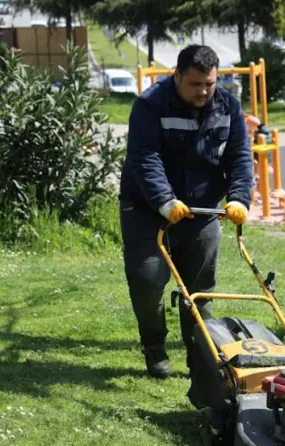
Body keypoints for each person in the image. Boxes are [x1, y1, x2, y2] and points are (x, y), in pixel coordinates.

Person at [119, 45, 253, 390]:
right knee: (148, 282)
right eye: (195, 84)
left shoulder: (228, 106)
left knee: (200, 292)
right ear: (177, 75)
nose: (203, 91)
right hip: (147, 208)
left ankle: (200, 361)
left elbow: (239, 157)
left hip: (202, 210)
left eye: (209, 84)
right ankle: (154, 348)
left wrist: (239, 199)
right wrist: (165, 201)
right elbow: (144, 157)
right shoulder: (150, 104)